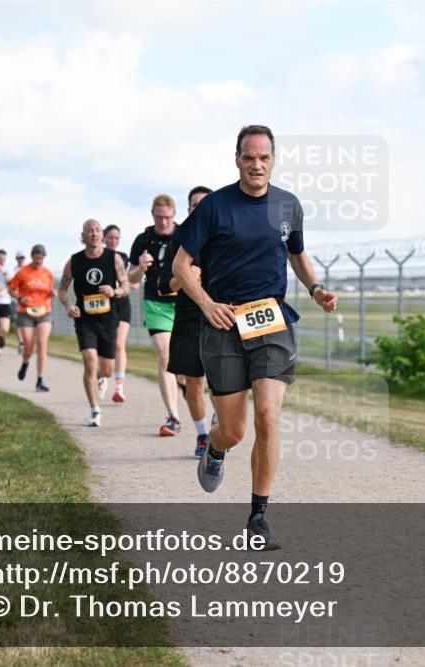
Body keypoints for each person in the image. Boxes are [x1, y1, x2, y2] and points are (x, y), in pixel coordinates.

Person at [173, 125, 338, 549]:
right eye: (249, 157)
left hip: (271, 321)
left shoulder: (287, 205)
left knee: (268, 416)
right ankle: (214, 446)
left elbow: (296, 253)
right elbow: (180, 265)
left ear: (274, 160)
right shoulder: (214, 207)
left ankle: (258, 517)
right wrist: (208, 304)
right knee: (234, 430)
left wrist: (315, 287)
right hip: (224, 323)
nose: (257, 165)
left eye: (264, 157)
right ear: (237, 159)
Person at [58, 219, 130, 427]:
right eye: (90, 231)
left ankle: (101, 378)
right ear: (83, 236)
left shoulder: (113, 258)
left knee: (106, 370)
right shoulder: (74, 261)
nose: (94, 234)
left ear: (102, 234)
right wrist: (69, 306)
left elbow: (125, 286)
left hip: (108, 319)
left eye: (98, 230)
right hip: (85, 320)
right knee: (90, 362)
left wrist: (114, 291)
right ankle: (94, 409)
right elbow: (62, 290)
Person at [163, 185, 214, 457]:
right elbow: (164, 284)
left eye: (206, 204)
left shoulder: (225, 237)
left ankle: (221, 420)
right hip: (188, 318)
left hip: (221, 317)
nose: (201, 209)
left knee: (221, 382)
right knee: (194, 382)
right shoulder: (178, 240)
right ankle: (203, 434)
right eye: (196, 205)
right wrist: (182, 278)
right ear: (189, 210)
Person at [128, 194, 184, 436]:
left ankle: (182, 383)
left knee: (184, 364)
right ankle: (173, 415)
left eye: (168, 217)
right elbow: (130, 278)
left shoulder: (185, 235)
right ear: (153, 215)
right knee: (165, 354)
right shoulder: (143, 239)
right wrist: (141, 266)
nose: (163, 222)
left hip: (183, 302)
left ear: (174, 215)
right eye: (159, 217)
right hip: (156, 302)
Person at [9, 244, 55, 391]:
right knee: (29, 346)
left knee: (42, 343)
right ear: (32, 257)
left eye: (41, 259)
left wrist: (52, 293)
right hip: (26, 312)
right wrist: (20, 298)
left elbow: (49, 290)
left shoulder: (48, 273)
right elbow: (11, 289)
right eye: (36, 259)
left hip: (44, 311)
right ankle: (25, 361)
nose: (39, 262)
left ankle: (40, 380)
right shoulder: (23, 272)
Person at [102, 224, 137, 403]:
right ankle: (102, 376)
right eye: (110, 237)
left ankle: (119, 388)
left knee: (118, 344)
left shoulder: (122, 257)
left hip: (122, 303)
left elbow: (131, 278)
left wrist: (133, 282)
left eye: (116, 238)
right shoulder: (97, 257)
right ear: (103, 238)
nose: (113, 241)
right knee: (105, 345)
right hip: (104, 306)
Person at [13, 250, 27, 355]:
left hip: (29, 300)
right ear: (16, 259)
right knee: (18, 322)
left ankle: (27, 342)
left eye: (22, 257)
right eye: (19, 257)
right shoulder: (13, 270)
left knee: (28, 322)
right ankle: (21, 343)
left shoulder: (28, 269)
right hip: (17, 299)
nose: (21, 259)